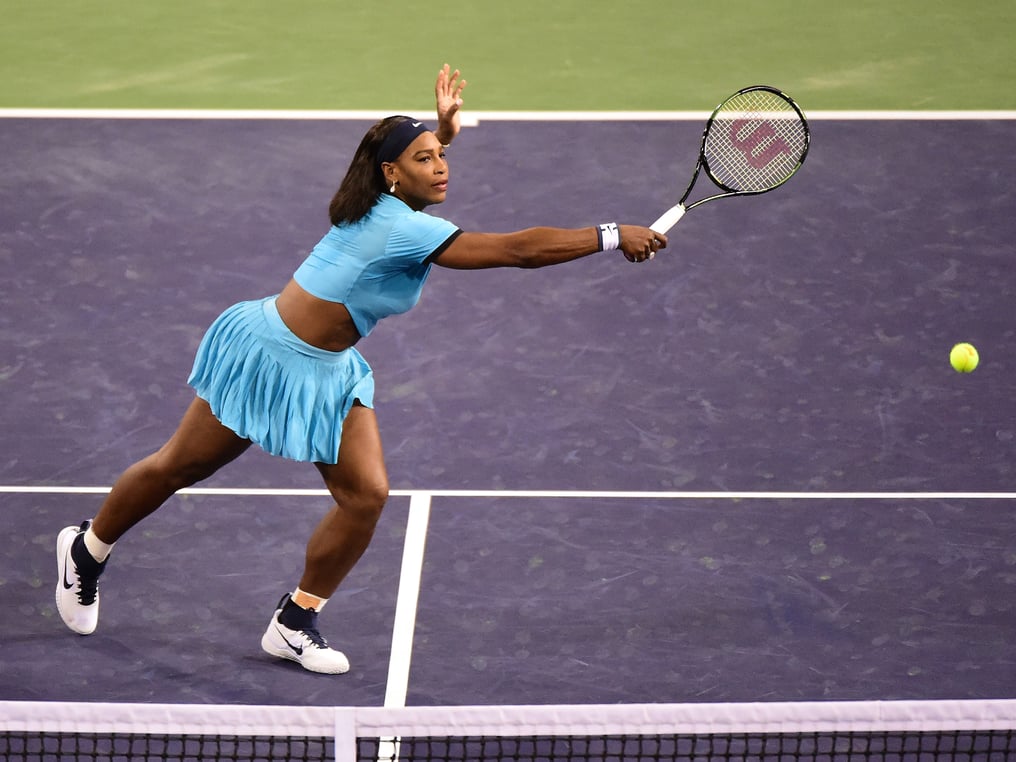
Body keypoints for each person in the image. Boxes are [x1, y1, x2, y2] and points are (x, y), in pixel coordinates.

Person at [55, 64, 669, 674]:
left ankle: (293, 623)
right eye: (426, 159)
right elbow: (517, 251)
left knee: (366, 495)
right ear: (391, 173)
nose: (442, 167)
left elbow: (414, 176)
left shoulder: (375, 200)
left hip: (328, 368)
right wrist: (611, 234)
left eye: (440, 156)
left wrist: (441, 134)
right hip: (268, 357)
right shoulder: (402, 227)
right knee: (177, 466)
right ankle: (87, 549)